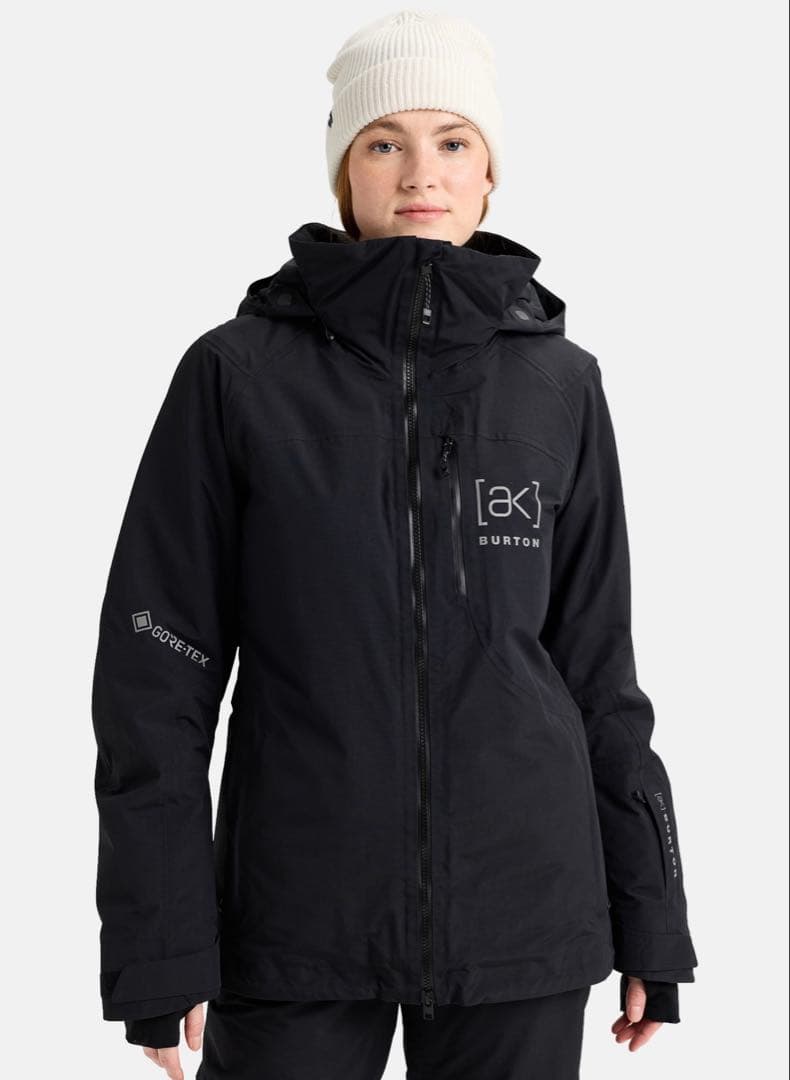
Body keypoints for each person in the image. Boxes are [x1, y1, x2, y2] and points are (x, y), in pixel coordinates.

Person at [91, 10, 698, 1079]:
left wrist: (653, 918)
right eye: (384, 141)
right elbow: (156, 678)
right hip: (295, 914)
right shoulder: (237, 374)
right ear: (343, 171)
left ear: (489, 172)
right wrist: (159, 942)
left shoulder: (560, 384)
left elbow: (601, 674)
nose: (421, 171)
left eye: (453, 140)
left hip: (524, 915)